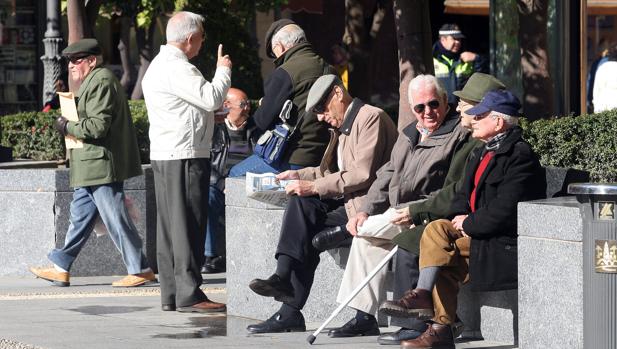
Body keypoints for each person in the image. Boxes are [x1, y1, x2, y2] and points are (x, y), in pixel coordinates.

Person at [379, 90, 546, 349]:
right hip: (478, 231)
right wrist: (458, 219)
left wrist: (468, 224)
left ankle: (440, 329)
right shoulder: (482, 151)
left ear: (499, 122)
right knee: (435, 230)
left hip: (501, 241)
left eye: (480, 115)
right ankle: (425, 299)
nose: (473, 119)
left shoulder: (519, 155)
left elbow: (505, 210)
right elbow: (461, 196)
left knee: (443, 255)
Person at [246, 74, 398, 334]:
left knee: (306, 227)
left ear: (338, 94)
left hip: (369, 207)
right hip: (348, 202)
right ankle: (282, 278)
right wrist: (300, 176)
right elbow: (330, 170)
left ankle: (291, 311)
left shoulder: (370, 117)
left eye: (321, 108)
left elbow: (361, 174)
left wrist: (314, 186)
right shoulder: (342, 125)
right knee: (300, 206)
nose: (319, 116)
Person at [329, 74, 468, 339]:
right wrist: (364, 209)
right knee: (364, 236)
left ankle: (415, 324)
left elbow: (453, 187)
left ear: (445, 100)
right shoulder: (409, 133)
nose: (428, 112)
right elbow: (386, 174)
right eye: (420, 107)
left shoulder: (457, 134)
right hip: (399, 211)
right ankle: (363, 316)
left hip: (427, 213)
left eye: (433, 104)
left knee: (381, 235)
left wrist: (416, 210)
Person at [29, 38, 154, 288]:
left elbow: (97, 126)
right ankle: (61, 266)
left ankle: (139, 269)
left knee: (115, 217)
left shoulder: (101, 80)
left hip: (99, 164)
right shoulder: (93, 81)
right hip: (90, 165)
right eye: (69, 61)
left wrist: (67, 126)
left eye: (76, 60)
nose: (71, 65)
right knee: (80, 217)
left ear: (92, 61)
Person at [142, 11, 232, 313]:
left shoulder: (159, 65)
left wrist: (208, 116)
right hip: (185, 155)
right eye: (202, 37)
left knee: (169, 228)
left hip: (168, 153)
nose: (202, 43)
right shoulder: (179, 67)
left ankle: (172, 292)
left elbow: (189, 107)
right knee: (189, 224)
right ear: (191, 38)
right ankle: (190, 293)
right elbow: (212, 97)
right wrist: (223, 70)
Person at [229, 19, 333, 176]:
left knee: (235, 175)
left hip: (294, 157)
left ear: (280, 47)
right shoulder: (329, 69)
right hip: (325, 156)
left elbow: (262, 120)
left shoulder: (285, 72)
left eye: (273, 53)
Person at [203, 87, 259, 274]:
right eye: (242, 104)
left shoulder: (257, 128)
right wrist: (222, 184)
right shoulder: (213, 129)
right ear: (226, 106)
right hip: (219, 185)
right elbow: (207, 165)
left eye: (248, 104)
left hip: (248, 183)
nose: (247, 109)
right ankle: (210, 256)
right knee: (208, 197)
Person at [433, 24, 487, 105]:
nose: (458, 42)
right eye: (454, 39)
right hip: (440, 111)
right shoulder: (432, 59)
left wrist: (477, 59)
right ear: (443, 39)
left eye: (459, 39)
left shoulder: (466, 58)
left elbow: (480, 79)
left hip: (461, 110)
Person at [592, 43, 617, 113]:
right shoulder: (602, 67)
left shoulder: (602, 67)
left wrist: (595, 106)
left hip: (603, 107)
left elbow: (596, 90)